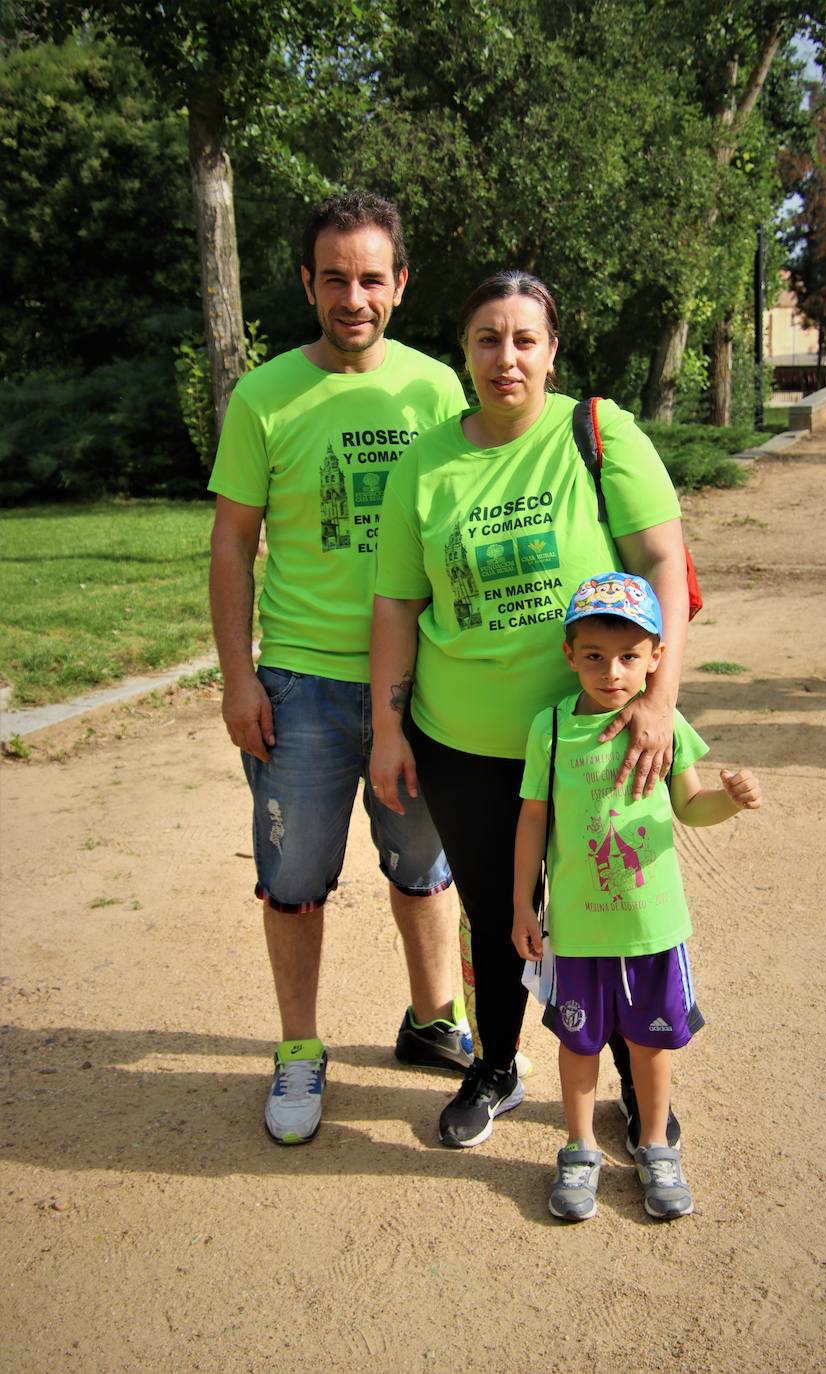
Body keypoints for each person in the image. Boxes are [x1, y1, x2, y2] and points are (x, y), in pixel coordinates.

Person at [370, 270, 690, 1150]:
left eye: (523, 340)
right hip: (462, 741)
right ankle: (498, 1066)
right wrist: (389, 728)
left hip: (592, 739)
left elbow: (665, 561)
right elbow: (397, 604)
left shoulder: (597, 433)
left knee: (612, 910)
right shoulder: (424, 464)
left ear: (551, 351)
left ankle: (635, 1086)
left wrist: (658, 704)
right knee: (496, 910)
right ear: (463, 350)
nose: (504, 357)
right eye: (486, 338)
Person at [208, 192, 471, 1146]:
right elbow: (233, 543)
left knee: (425, 866)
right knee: (295, 878)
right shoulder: (265, 394)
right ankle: (297, 1052)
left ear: (400, 285)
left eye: (371, 277)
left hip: (422, 684)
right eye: (334, 277)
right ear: (309, 284)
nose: (351, 295)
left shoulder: (440, 389)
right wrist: (238, 677)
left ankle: (434, 1019)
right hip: (302, 687)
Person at [513, 572, 762, 1221]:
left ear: (656, 656)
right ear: (569, 655)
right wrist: (522, 904)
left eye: (629, 656)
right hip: (575, 929)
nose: (611, 670)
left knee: (650, 1048)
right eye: (593, 655)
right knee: (577, 1046)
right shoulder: (550, 727)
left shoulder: (666, 722)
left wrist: (728, 803)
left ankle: (655, 1146)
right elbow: (533, 820)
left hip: (652, 929)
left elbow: (691, 806)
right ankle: (578, 1149)